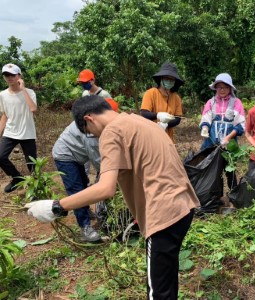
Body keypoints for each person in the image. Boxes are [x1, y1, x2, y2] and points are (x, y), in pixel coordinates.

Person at [26, 95, 200, 299]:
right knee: (166, 278)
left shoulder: (111, 132)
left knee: (159, 293)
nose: (94, 137)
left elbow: (105, 189)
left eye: (89, 132)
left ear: (89, 119)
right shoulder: (140, 122)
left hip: (164, 215)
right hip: (184, 206)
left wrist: (57, 206)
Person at [52, 98, 118, 242]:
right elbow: (100, 163)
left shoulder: (100, 124)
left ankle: (86, 210)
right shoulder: (90, 131)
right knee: (76, 189)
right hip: (65, 155)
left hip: (78, 156)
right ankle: (85, 227)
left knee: (83, 183)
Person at [199, 73, 246, 190]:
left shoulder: (236, 103)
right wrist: (205, 128)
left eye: (225, 87)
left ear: (230, 88)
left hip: (229, 144)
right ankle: (215, 197)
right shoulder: (211, 102)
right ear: (215, 88)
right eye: (219, 87)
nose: (222, 90)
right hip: (211, 143)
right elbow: (206, 119)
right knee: (213, 171)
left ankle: (233, 195)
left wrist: (228, 138)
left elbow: (240, 125)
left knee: (230, 170)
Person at [0, 63, 37, 193]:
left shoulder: (30, 92)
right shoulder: (3, 94)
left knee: (32, 164)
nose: (9, 77)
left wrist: (23, 90)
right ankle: (17, 178)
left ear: (19, 76)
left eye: (12, 75)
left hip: (27, 132)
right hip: (10, 132)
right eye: (6, 75)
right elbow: (5, 114)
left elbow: (33, 108)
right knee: (1, 156)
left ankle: (37, 187)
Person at [140, 62, 184, 142]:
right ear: (161, 79)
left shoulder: (176, 98)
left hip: (168, 138)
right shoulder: (150, 93)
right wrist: (158, 115)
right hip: (150, 136)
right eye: (167, 78)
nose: (169, 81)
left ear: (175, 81)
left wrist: (166, 124)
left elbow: (177, 118)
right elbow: (144, 113)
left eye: (172, 79)